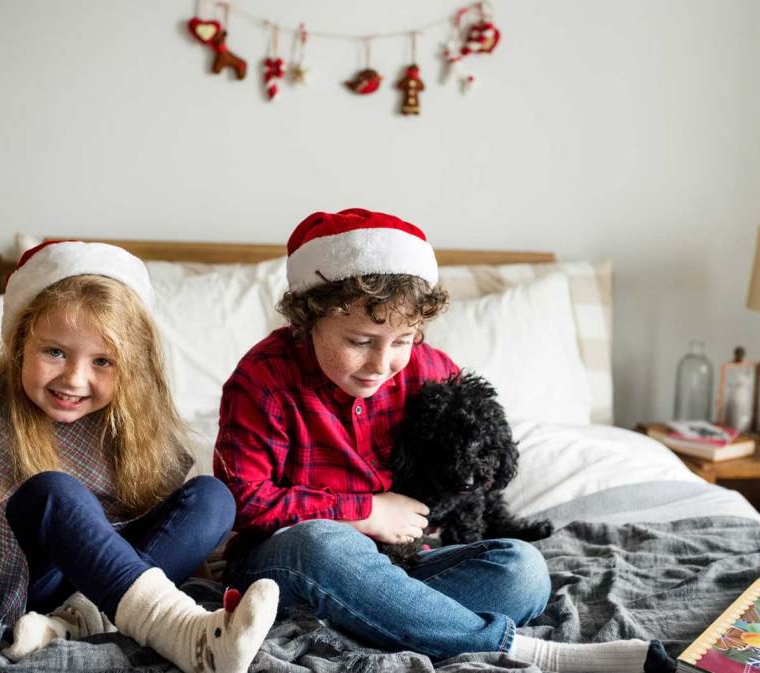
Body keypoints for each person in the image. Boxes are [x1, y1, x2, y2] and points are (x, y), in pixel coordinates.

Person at [214, 208, 672, 673]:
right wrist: (367, 512)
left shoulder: (432, 371)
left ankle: (376, 617)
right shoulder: (262, 379)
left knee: (523, 570)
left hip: (399, 567)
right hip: (290, 561)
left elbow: (466, 462)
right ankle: (531, 651)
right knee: (324, 543)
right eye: (360, 341)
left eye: (402, 341)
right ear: (307, 320)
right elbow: (242, 501)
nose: (381, 364)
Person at [0, 241, 277, 673]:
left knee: (213, 497)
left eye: (102, 361)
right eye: (55, 352)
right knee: (52, 490)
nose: (74, 379)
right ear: (20, 343)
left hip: (108, 575)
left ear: (131, 364)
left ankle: (80, 621)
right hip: (24, 577)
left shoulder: (133, 415)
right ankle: (174, 630)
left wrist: (197, 583)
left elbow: (167, 519)